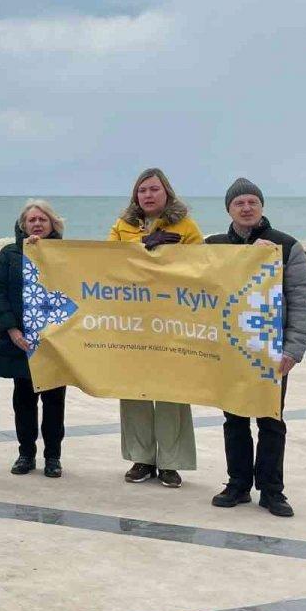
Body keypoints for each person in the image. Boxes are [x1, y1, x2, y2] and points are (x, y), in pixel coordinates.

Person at [206, 179, 306, 517]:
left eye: (253, 201)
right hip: (231, 348)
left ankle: (271, 490)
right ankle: (237, 484)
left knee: (270, 420)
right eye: (239, 203)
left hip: (271, 350)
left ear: (262, 206)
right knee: (233, 418)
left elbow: (300, 300)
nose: (247, 207)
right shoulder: (216, 245)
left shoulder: (285, 245)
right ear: (229, 209)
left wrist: (293, 349)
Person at [107, 167, 203, 488]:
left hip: (171, 320)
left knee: (170, 390)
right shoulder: (122, 226)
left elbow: (203, 267)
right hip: (132, 320)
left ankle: (171, 462)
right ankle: (141, 457)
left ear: (167, 193)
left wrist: (169, 256)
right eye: (142, 190)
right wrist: (140, 248)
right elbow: (106, 263)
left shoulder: (185, 227)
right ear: (136, 195)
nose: (148, 195)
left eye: (154, 189)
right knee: (134, 389)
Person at [0, 200, 67, 477]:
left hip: (55, 342)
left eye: (42, 219)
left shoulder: (66, 255)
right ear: (23, 225)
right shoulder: (10, 254)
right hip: (19, 341)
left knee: (54, 402)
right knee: (24, 401)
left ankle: (53, 457)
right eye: (32, 220)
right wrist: (12, 329)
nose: (37, 224)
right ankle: (26, 453)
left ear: (52, 224)